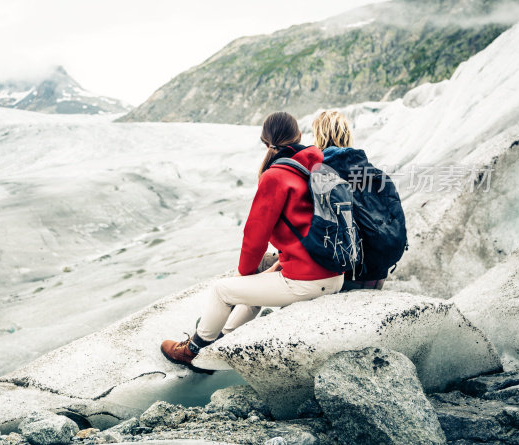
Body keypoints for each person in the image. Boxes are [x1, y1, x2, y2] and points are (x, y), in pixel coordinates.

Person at [160, 112, 345, 370]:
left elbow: (254, 238)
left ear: (264, 141)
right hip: (335, 274)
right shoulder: (321, 168)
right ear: (299, 137)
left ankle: (192, 350)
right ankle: (224, 338)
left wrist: (244, 275)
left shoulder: (276, 176)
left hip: (308, 282)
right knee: (258, 280)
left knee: (221, 291)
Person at [312, 110, 405, 290]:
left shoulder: (319, 177)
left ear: (319, 137)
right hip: (377, 276)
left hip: (340, 278)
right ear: (347, 135)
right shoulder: (377, 175)